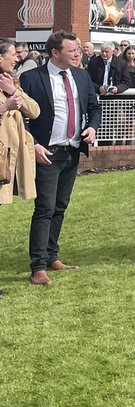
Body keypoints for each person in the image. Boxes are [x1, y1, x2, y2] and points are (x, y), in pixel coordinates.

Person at [19, 30, 100, 286]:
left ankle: (52, 256)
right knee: (44, 208)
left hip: (72, 151)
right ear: (55, 53)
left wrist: (92, 127)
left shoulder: (81, 75)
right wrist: (33, 144)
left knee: (60, 206)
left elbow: (93, 107)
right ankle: (38, 267)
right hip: (46, 153)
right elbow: (20, 116)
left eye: (78, 49)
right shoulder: (32, 78)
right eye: (72, 50)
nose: (78, 54)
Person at [0, 38, 39, 207]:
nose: (17, 59)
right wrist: (4, 108)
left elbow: (34, 111)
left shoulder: (10, 82)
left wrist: (13, 91)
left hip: (6, 160)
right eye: (13, 54)